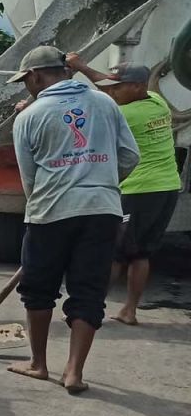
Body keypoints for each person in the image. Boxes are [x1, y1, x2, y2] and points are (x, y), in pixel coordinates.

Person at [5, 46, 139, 394]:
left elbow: (29, 179)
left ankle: (38, 364)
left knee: (38, 288)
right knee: (88, 289)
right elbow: (129, 155)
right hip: (101, 209)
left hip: (50, 211)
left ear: (35, 76)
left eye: (26, 81)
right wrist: (101, 181)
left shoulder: (29, 116)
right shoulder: (104, 103)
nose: (27, 87)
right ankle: (74, 372)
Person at [65, 56, 181, 326]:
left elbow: (95, 102)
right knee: (141, 253)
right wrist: (83, 67)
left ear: (138, 87)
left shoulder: (125, 114)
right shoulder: (157, 102)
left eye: (119, 88)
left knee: (113, 253)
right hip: (166, 188)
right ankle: (129, 310)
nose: (112, 92)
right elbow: (106, 88)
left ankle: (89, 309)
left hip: (138, 190)